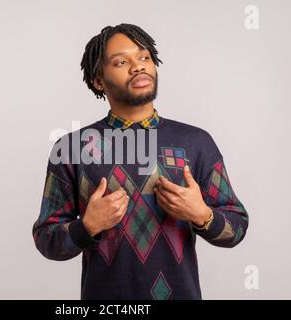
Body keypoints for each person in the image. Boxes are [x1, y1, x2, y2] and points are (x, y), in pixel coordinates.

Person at [32, 23, 249, 300]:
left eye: (144, 57)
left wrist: (201, 214)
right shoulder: (72, 148)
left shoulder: (196, 142)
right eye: (121, 61)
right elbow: (46, 239)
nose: (138, 66)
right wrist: (87, 227)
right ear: (99, 80)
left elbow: (237, 228)